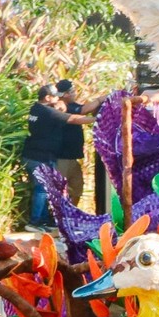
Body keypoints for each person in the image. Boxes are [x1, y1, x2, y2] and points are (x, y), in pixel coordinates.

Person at [23, 83, 104, 228]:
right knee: (42, 189)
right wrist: (98, 119)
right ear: (48, 97)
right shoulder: (46, 111)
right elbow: (74, 118)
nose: (58, 98)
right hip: (40, 156)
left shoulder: (36, 109)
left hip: (41, 155)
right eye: (55, 96)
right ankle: (35, 222)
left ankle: (45, 220)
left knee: (46, 189)